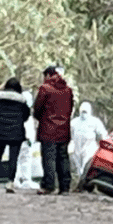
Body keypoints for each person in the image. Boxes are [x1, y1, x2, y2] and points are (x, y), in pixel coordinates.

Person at [0, 78, 31, 193]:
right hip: (16, 133)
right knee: (13, 158)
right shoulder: (22, 102)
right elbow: (26, 116)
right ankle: (10, 183)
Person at [33, 65, 74, 194]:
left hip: (48, 129)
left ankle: (49, 185)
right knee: (63, 158)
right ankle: (65, 186)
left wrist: (41, 118)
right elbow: (70, 108)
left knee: (49, 158)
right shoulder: (68, 90)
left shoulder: (45, 89)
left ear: (48, 75)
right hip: (64, 129)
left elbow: (38, 108)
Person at [70, 101, 107, 179]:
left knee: (86, 165)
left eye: (85, 112)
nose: (84, 114)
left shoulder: (95, 122)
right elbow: (69, 133)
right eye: (82, 111)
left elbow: (102, 133)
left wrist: (104, 143)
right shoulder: (74, 122)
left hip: (89, 148)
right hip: (77, 147)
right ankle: (79, 183)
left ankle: (83, 182)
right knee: (78, 167)